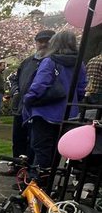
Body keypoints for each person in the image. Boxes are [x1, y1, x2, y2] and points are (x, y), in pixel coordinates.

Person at [22, 28, 87, 173]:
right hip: (69, 113)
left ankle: (38, 181)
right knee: (57, 149)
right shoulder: (79, 64)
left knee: (41, 147)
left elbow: (39, 85)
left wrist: (28, 99)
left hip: (46, 111)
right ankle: (49, 179)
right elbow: (82, 88)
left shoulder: (50, 61)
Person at [9, 30, 53, 164]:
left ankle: (28, 170)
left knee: (33, 142)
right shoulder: (28, 62)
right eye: (40, 41)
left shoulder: (54, 62)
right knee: (18, 138)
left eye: (47, 41)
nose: (43, 44)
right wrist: (16, 92)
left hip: (38, 108)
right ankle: (17, 166)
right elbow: (15, 79)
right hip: (22, 106)